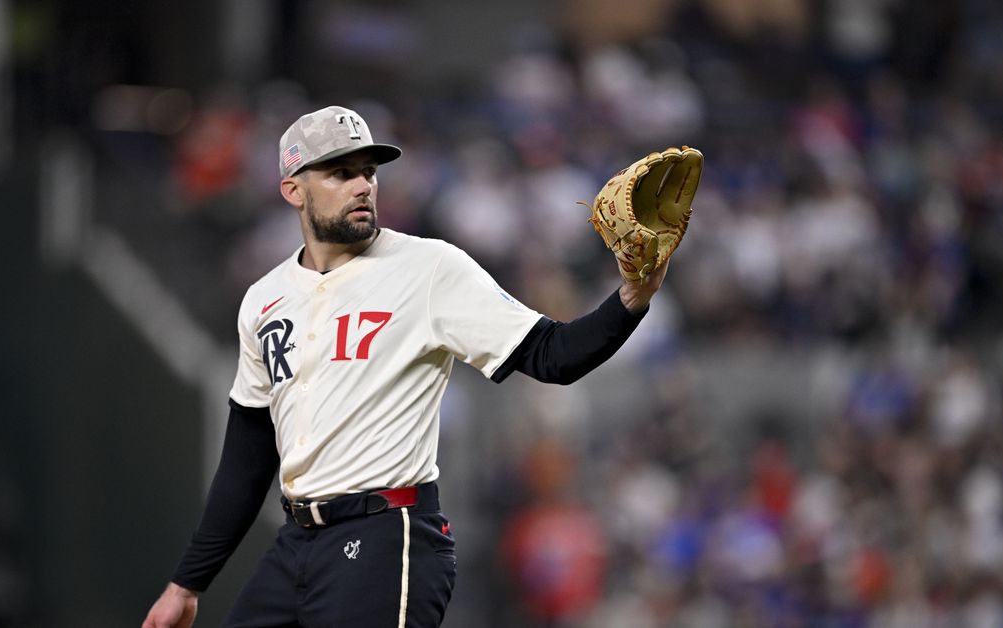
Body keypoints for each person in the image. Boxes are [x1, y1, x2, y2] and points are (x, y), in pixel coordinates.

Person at [142, 105, 673, 627]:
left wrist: (631, 297)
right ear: (293, 188)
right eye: (340, 172)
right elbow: (248, 455)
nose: (362, 185)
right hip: (296, 543)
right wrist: (187, 583)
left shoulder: (429, 267)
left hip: (386, 535)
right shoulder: (264, 299)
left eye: (368, 171)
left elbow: (553, 356)